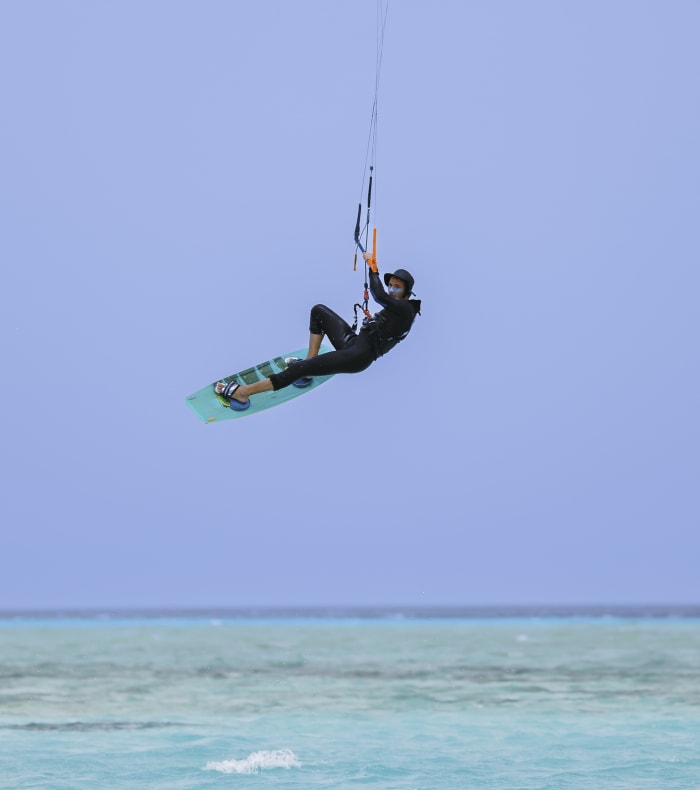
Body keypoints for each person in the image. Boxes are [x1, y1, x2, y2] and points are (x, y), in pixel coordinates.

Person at [215, 255, 421, 410]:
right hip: (353, 343)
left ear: (406, 293)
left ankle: (243, 392)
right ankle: (310, 366)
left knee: (299, 368)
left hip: (358, 356)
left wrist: (372, 268)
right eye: (391, 286)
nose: (392, 290)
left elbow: (379, 295)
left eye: (397, 288)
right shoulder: (396, 310)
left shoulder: (406, 309)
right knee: (318, 311)